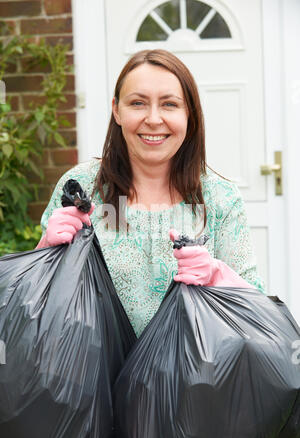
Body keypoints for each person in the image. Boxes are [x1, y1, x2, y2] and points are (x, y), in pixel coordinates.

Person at [36, 49, 265, 338]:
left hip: (189, 379)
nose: (154, 119)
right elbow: (37, 299)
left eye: (169, 104)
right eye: (138, 103)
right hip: (91, 377)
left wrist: (217, 275)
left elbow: (256, 309)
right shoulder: (81, 187)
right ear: (117, 110)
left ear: (189, 115)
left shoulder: (220, 198)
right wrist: (47, 246)